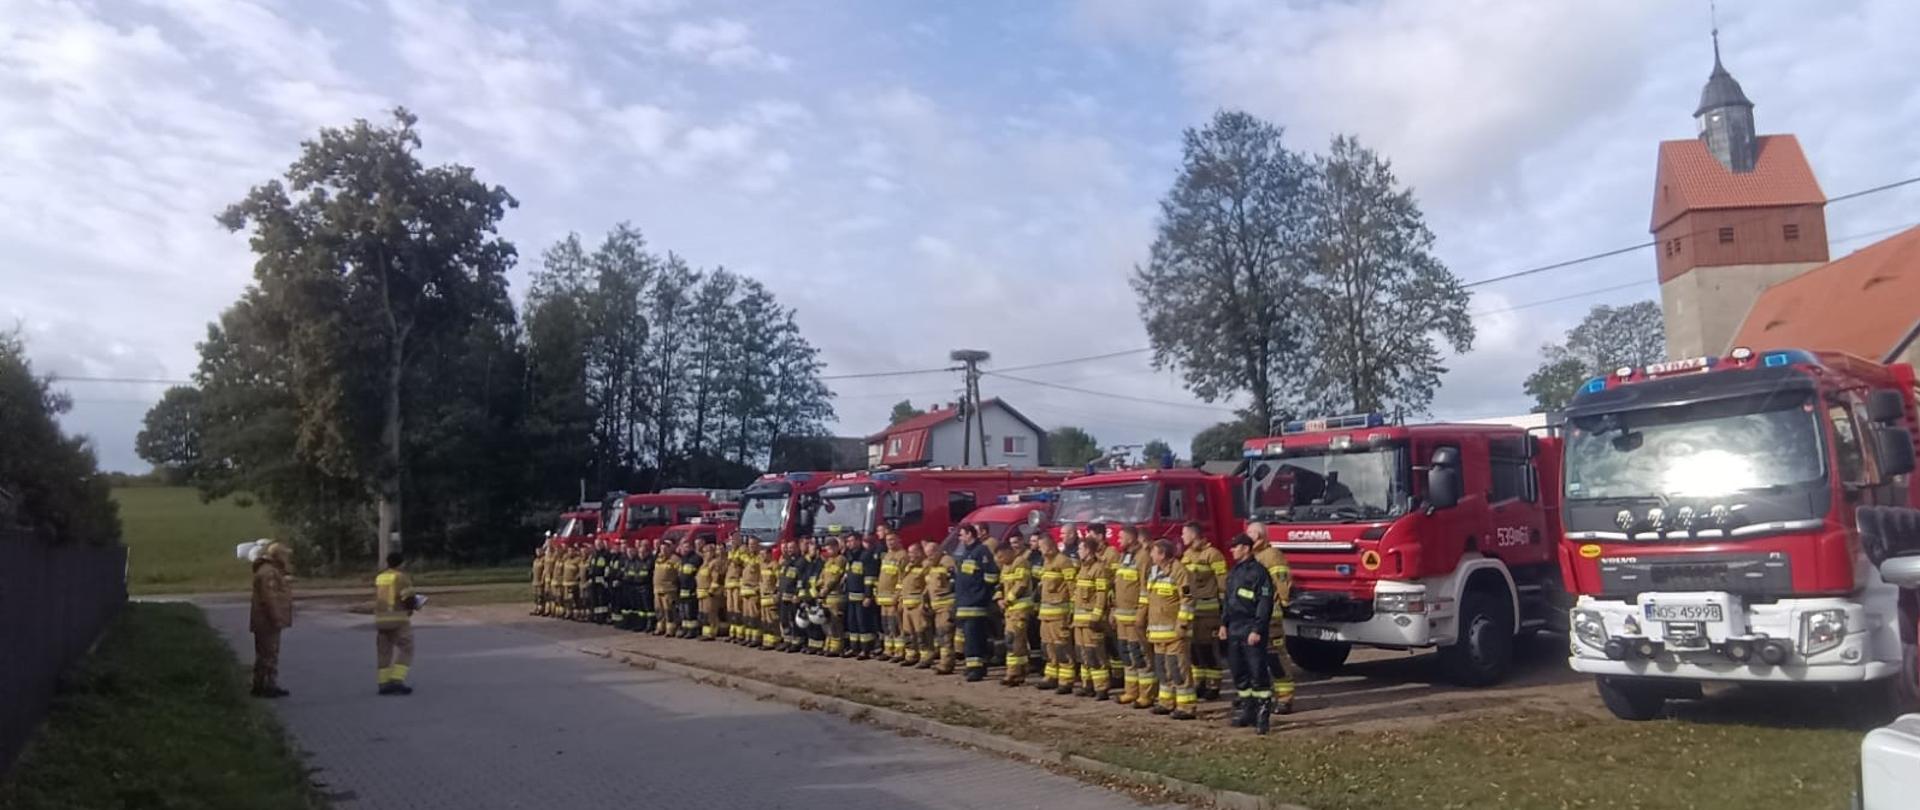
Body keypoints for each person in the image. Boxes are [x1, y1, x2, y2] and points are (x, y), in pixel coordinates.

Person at [1220, 534, 1279, 733]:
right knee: (1239, 672)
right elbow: (1228, 600)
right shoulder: (1235, 572)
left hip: (1250, 629)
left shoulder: (1259, 573)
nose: (1232, 550)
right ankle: (1248, 711)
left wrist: (1257, 629)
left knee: (1258, 673)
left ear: (1246, 548)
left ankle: (1263, 714)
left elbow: (1264, 604)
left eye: (1235, 547)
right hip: (1234, 628)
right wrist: (1223, 624)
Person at [1246, 521, 1297, 711]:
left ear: (1258, 536)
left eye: (1249, 533)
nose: (1246, 536)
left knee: (1275, 656)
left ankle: (1285, 697)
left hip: (1271, 616)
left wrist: (1283, 602)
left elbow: (1282, 581)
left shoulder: (1272, 556)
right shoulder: (1253, 556)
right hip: (1254, 615)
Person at [1145, 539, 1195, 719]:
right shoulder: (1153, 571)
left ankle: (1186, 706)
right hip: (1158, 631)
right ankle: (1166, 702)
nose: (1150, 555)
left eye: (1153, 552)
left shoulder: (1180, 571)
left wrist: (1182, 624)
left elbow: (1187, 599)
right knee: (1162, 669)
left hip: (1174, 632)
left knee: (1178, 669)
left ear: (1162, 554)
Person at [1180, 521, 1229, 700]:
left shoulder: (1213, 555)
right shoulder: (1186, 555)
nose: (1182, 537)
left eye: (1184, 533)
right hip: (1192, 611)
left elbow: (1222, 582)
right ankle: (1199, 683)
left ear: (1194, 535)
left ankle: (1213, 686)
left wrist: (1224, 610)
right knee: (1195, 650)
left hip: (1209, 611)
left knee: (1209, 649)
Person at [952, 524, 1001, 682]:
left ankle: (976, 668)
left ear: (969, 535)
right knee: (970, 637)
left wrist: (981, 594)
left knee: (975, 637)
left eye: (961, 535)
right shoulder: (966, 553)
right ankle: (973, 666)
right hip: (965, 603)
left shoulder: (981, 551)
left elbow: (991, 576)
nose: (959, 538)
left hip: (975, 604)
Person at [1111, 525, 1151, 707]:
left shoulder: (1143, 558)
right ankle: (1131, 691)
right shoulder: (1125, 556)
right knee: (1126, 655)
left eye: (1121, 537)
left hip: (1135, 616)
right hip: (1122, 618)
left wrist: (1142, 614)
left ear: (1131, 538)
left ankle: (1146, 694)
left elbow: (1145, 589)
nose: (1118, 540)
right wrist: (1113, 609)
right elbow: (1118, 586)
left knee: (1139, 655)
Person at [249, 542, 294, 698]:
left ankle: (263, 684)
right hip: (266, 621)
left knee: (266, 653)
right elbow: (270, 599)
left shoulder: (270, 571)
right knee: (268, 654)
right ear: (279, 556)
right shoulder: (269, 573)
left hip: (265, 621)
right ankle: (266, 686)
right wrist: (277, 618)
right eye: (285, 555)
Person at [1071, 533, 1112, 699]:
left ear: (1088, 550)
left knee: (1095, 653)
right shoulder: (1082, 568)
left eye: (1080, 548)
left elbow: (1101, 595)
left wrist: (1096, 617)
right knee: (1083, 654)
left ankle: (1101, 688)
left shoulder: (1098, 569)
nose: (1078, 551)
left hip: (1091, 622)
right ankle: (1087, 685)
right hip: (1079, 622)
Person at [374, 552, 420, 696]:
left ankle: (383, 684)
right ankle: (397, 680)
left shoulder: (380, 577)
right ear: (402, 563)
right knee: (407, 648)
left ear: (387, 562)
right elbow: (408, 598)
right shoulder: (401, 577)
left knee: (384, 652)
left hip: (381, 619)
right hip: (397, 618)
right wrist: (415, 606)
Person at [1035, 532, 1076, 692]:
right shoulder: (1046, 562)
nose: (1040, 551)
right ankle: (1051, 675)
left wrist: (1073, 610)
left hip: (1060, 614)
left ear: (1051, 547)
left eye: (1042, 547)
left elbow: (1072, 587)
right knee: (1048, 646)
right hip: (1046, 614)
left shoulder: (1064, 562)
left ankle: (1066, 680)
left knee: (1062, 646)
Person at [996, 530, 1034, 686]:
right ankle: (1021, 670)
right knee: (1017, 640)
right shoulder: (1005, 566)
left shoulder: (1021, 562)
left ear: (1009, 552)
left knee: (1013, 639)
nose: (999, 560)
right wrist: (999, 598)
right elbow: (1000, 584)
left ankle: (1012, 673)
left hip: (1020, 608)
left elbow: (1021, 584)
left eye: (1001, 557)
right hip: (1010, 609)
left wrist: (1008, 600)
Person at [922, 539, 960, 675]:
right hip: (935, 606)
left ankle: (946, 664)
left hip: (946, 605)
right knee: (940, 635)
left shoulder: (947, 561)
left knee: (945, 635)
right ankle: (944, 661)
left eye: (931, 553)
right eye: (927, 554)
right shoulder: (932, 565)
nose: (929, 557)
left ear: (938, 551)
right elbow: (930, 584)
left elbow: (954, 581)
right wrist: (925, 598)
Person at [875, 529, 907, 661]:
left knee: (895, 627)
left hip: (893, 599)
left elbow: (902, 579)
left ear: (899, 540)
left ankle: (899, 652)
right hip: (883, 599)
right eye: (888, 540)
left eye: (892, 540)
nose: (890, 543)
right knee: (886, 626)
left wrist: (897, 596)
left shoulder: (902, 556)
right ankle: (889, 650)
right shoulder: (887, 555)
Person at [896, 542, 930, 667]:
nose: (910, 555)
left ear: (920, 553)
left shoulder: (925, 567)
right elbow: (902, 584)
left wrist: (924, 602)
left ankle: (925, 658)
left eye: (913, 552)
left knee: (921, 633)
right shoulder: (908, 566)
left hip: (918, 606)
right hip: (906, 606)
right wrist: (898, 598)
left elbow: (928, 586)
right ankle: (911, 656)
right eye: (909, 552)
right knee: (908, 632)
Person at [816, 539, 848, 655]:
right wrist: (818, 585)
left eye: (830, 548)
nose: (828, 551)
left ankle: (837, 647)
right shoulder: (829, 561)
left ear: (836, 547)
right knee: (826, 622)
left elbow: (835, 577)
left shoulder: (840, 560)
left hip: (835, 596)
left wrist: (825, 589)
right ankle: (828, 644)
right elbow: (823, 575)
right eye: (827, 548)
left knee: (835, 622)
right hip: (826, 597)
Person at [777, 538, 805, 652]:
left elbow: (801, 580)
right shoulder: (785, 563)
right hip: (783, 597)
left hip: (793, 597)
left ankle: (796, 642)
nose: (790, 550)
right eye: (788, 548)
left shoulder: (800, 563)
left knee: (794, 621)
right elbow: (781, 579)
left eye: (792, 548)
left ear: (797, 548)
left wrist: (798, 594)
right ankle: (787, 641)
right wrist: (777, 591)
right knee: (784, 620)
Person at [652, 540, 680, 637]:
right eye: (661, 548)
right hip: (657, 589)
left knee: (669, 611)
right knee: (659, 610)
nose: (663, 550)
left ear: (669, 548)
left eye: (665, 548)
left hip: (669, 590)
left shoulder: (674, 559)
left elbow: (680, 574)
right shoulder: (658, 559)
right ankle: (660, 628)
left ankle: (670, 630)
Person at [695, 540, 721, 640]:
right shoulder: (703, 564)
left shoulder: (714, 563)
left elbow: (715, 579)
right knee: (704, 615)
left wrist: (711, 591)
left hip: (709, 594)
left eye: (709, 552)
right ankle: (705, 633)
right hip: (701, 593)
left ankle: (712, 633)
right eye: (705, 552)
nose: (706, 554)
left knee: (711, 614)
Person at [678, 538, 703, 639]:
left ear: (692, 547)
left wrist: (694, 588)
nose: (685, 549)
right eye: (684, 547)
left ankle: (693, 631)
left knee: (691, 612)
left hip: (691, 590)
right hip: (682, 589)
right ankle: (685, 629)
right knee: (683, 612)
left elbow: (697, 575)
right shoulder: (683, 559)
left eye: (687, 547)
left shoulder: (696, 558)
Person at [530, 544, 549, 617]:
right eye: (536, 551)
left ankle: (542, 609)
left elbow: (545, 570)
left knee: (541, 595)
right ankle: (537, 608)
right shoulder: (535, 560)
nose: (537, 552)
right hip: (535, 580)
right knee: (536, 595)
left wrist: (542, 579)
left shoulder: (544, 559)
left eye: (539, 551)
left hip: (540, 580)